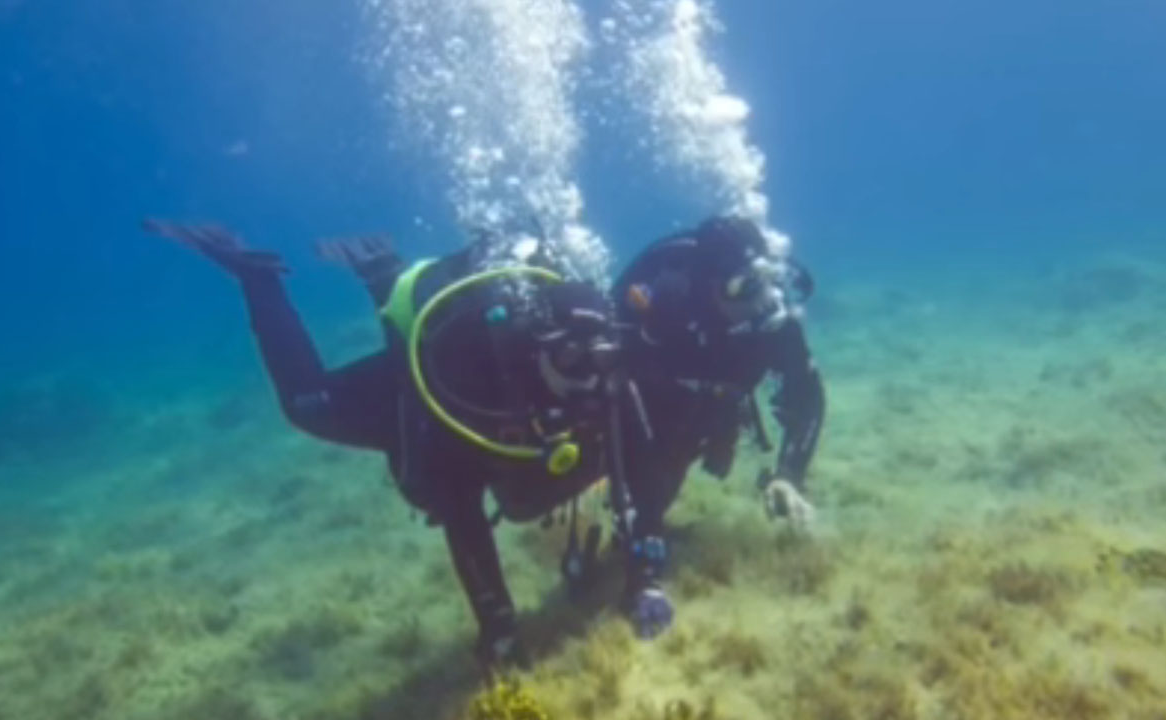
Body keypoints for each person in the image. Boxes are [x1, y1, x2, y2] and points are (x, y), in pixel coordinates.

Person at [143, 219, 635, 672]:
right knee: (306, 405)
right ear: (543, 346)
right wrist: (499, 625)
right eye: (571, 361)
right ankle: (261, 280)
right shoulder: (471, 384)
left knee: (524, 497)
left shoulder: (601, 369)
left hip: (481, 388)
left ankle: (380, 270)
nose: (585, 381)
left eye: (598, 363)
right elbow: (461, 514)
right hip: (416, 394)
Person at [611, 216, 826, 638]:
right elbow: (615, 384)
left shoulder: (774, 317)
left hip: (717, 400)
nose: (758, 299)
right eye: (740, 287)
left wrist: (789, 475)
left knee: (682, 455)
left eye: (762, 280)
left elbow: (807, 398)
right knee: (656, 478)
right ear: (707, 286)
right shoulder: (669, 303)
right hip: (654, 400)